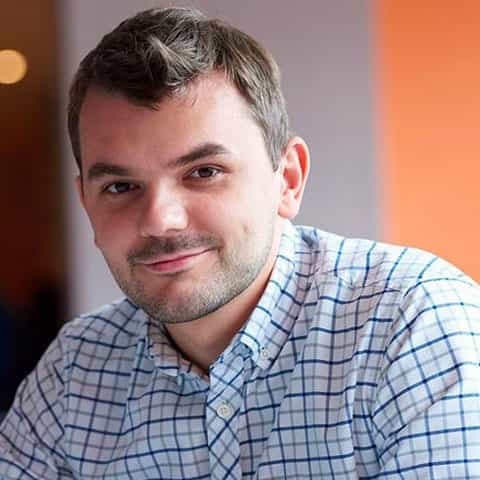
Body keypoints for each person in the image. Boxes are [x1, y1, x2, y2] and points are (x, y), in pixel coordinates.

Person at [1, 6, 479, 479]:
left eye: (204, 172)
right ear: (86, 203)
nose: (160, 220)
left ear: (287, 179)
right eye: (120, 186)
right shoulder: (76, 371)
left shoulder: (413, 325)